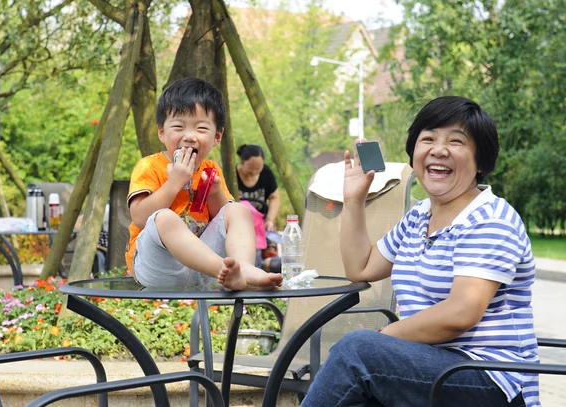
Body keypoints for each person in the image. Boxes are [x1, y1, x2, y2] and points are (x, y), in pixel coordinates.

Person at [302, 96, 538, 407]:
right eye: (428, 139)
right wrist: (355, 200)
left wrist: (385, 336)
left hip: (489, 378)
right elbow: (361, 267)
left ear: (481, 162)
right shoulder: (418, 217)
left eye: (456, 142)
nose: (439, 150)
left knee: (357, 351)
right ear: (415, 153)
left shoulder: (490, 218)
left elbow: (461, 312)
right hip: (434, 365)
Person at [124, 78, 282, 291]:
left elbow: (222, 218)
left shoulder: (210, 169)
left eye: (200, 128)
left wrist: (215, 193)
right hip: (157, 267)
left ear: (217, 136)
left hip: (202, 268)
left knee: (238, 210)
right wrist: (174, 183)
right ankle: (228, 272)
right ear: (162, 132)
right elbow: (140, 218)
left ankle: (241, 268)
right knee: (165, 218)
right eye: (179, 126)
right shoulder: (150, 166)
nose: (189, 136)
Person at [236, 144, 280, 268]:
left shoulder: (266, 173)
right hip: (239, 225)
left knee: (273, 262)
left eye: (257, 171)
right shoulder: (231, 175)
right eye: (250, 171)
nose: (253, 174)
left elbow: (274, 197)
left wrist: (270, 219)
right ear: (242, 162)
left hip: (262, 225)